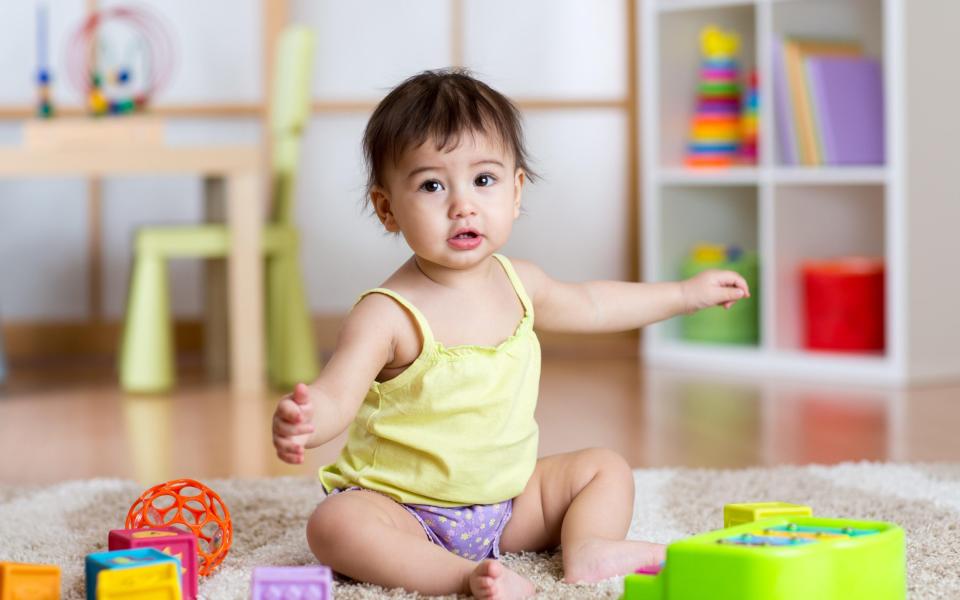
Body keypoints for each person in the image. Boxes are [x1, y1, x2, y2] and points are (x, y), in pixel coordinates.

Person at [271, 68, 750, 600]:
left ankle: (589, 547)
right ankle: (461, 577)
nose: (462, 205)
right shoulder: (387, 314)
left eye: (483, 180)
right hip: (405, 511)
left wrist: (682, 295)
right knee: (334, 525)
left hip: (509, 504)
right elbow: (338, 393)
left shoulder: (520, 283)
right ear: (388, 209)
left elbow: (595, 303)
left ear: (516, 191)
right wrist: (307, 419)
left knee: (603, 468)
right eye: (432, 185)